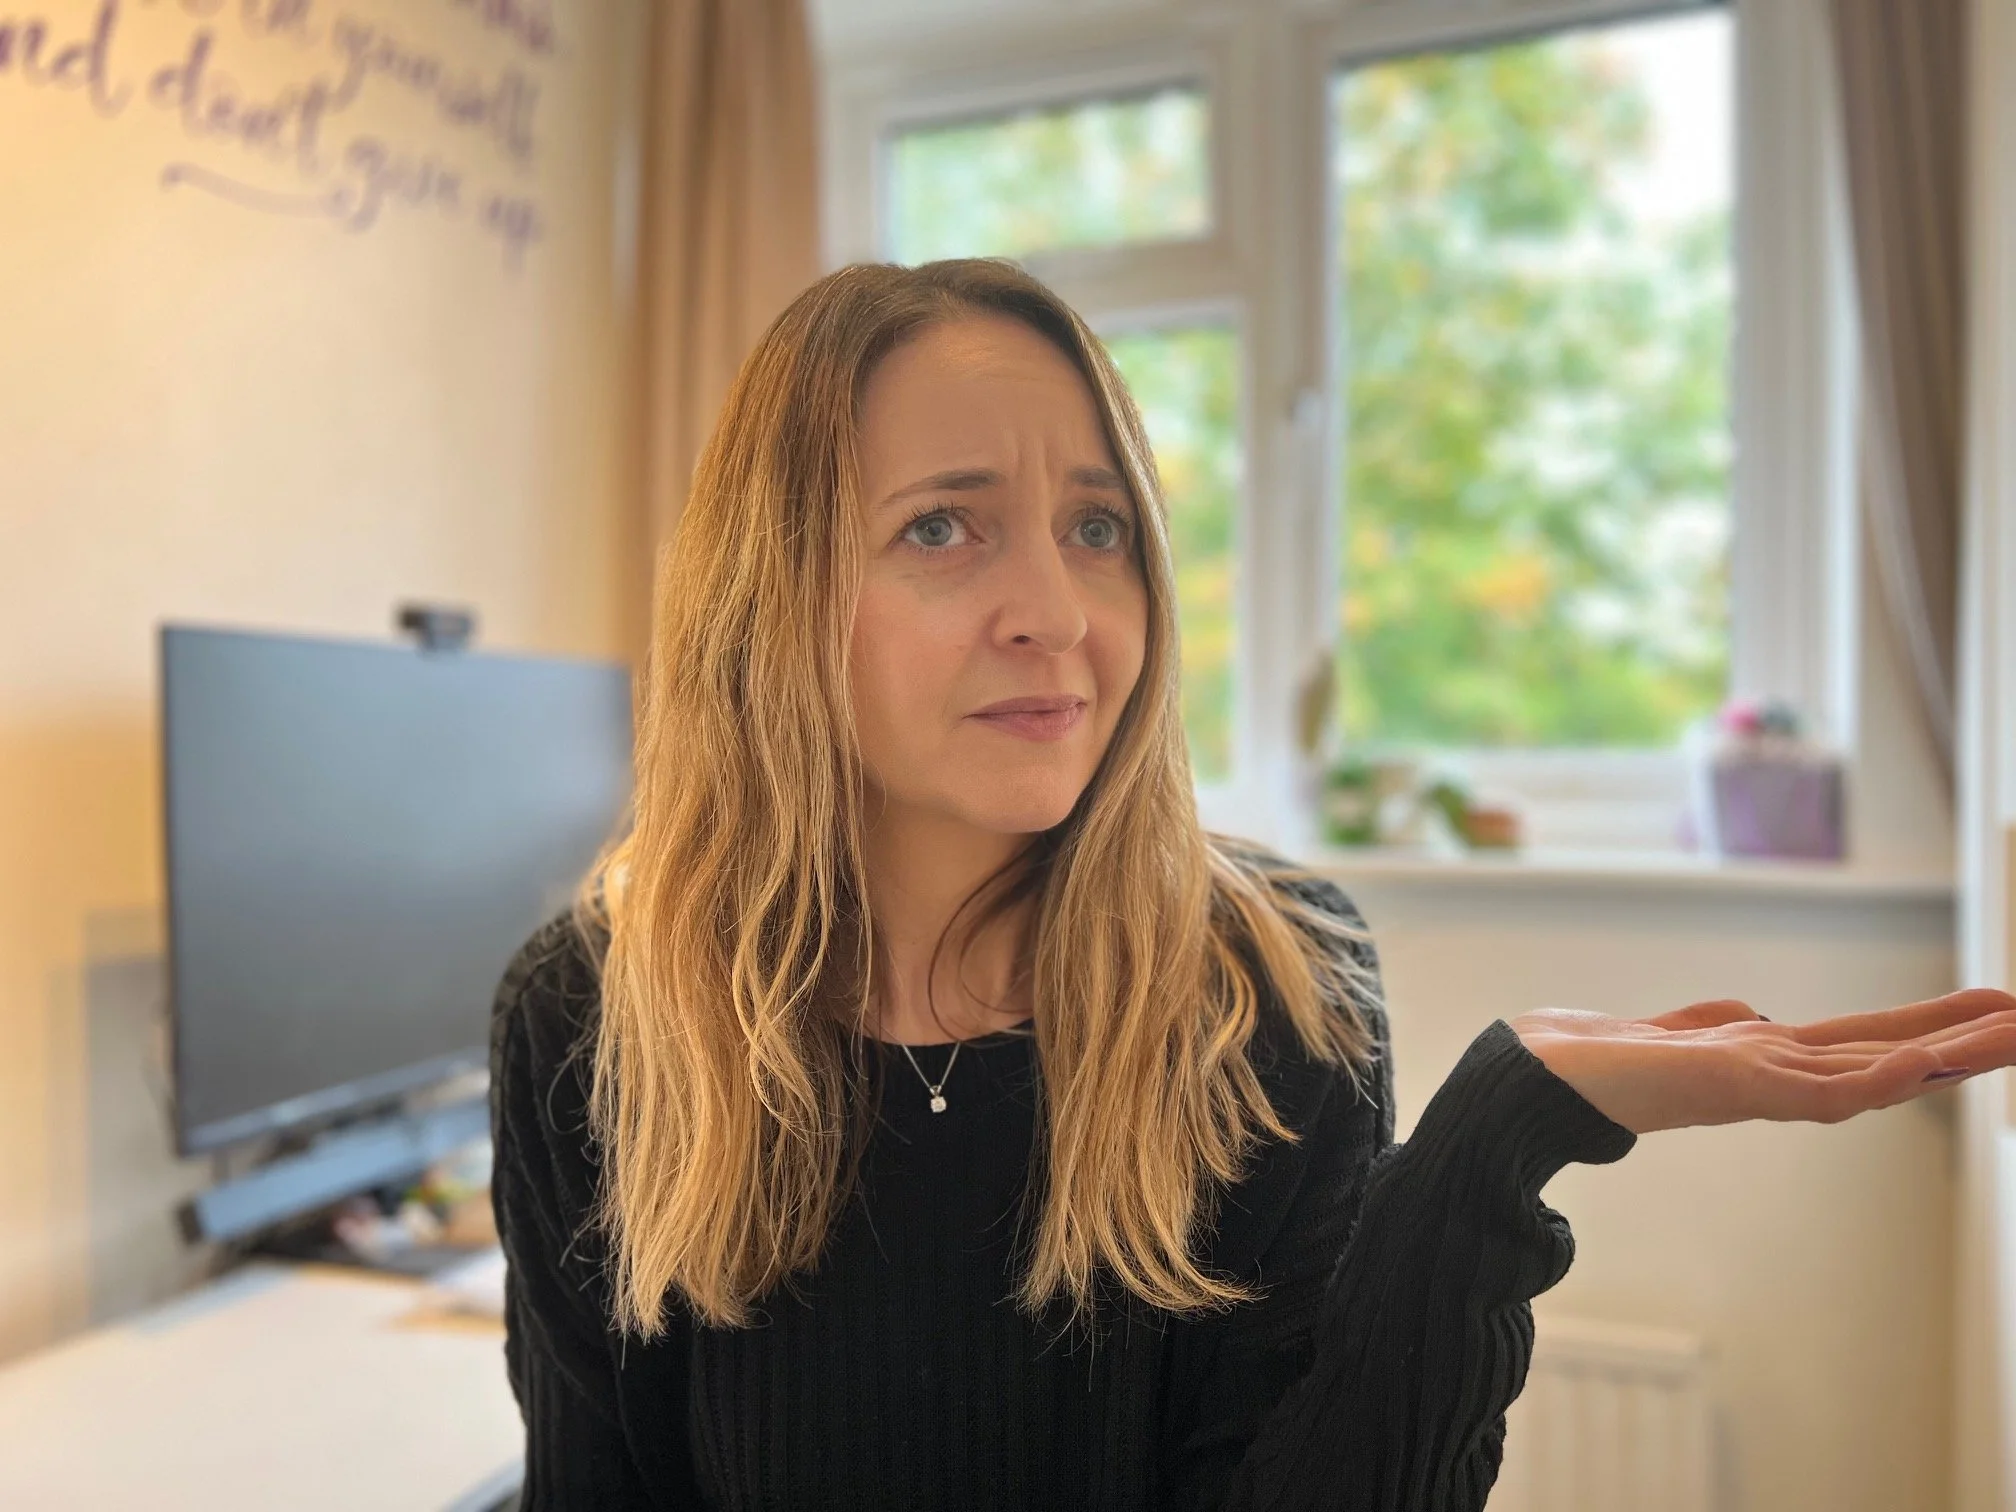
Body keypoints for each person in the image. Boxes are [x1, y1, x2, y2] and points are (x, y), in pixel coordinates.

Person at [488, 257, 2016, 1511]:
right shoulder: (593, 1013)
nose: (1056, 612)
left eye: (1098, 528)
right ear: (771, 595)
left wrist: (1498, 1141)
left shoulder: (1268, 985)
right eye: (942, 527)